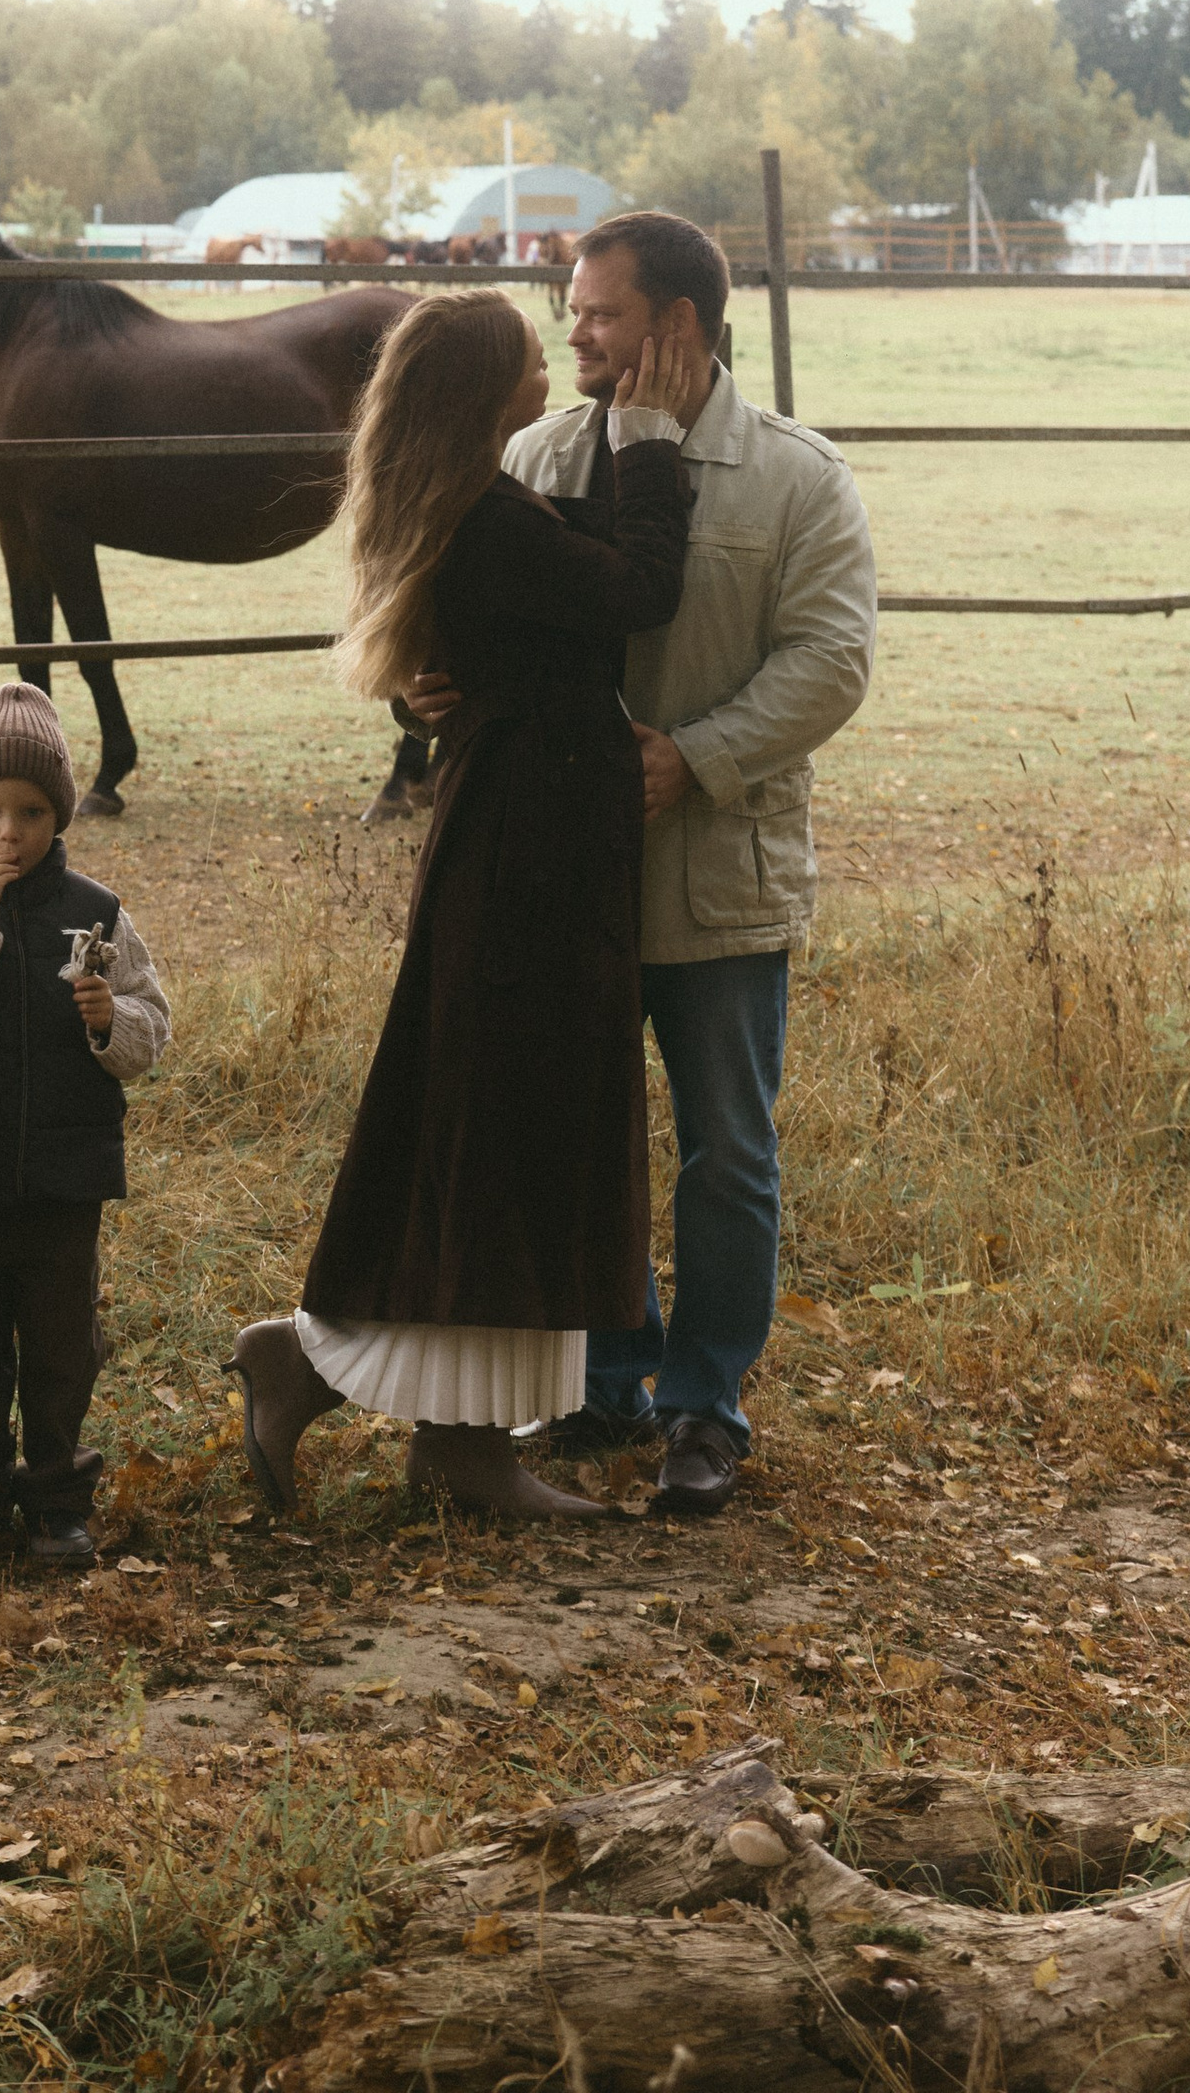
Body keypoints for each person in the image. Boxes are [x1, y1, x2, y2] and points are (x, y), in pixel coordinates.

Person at [410, 209, 876, 1518]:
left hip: (713, 877)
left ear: (676, 326)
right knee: (580, 1132)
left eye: (600, 313)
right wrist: (436, 688)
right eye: (572, 307)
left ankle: (703, 1406)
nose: (575, 331)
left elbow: (832, 662)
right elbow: (478, 610)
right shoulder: (535, 452)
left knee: (726, 1152)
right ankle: (605, 1378)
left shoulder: (797, 479)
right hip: (561, 876)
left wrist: (701, 759)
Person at [226, 288, 697, 1524]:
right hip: (526, 851)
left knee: (499, 1124)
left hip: (530, 836)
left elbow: (578, 555)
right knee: (502, 1127)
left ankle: (422, 1421)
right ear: (496, 388)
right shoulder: (487, 521)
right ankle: (401, 1411)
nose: (560, 351)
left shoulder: (484, 505)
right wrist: (651, 443)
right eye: (539, 348)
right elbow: (636, 586)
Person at [0, 683, 172, 1571]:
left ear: (61, 814)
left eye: (32, 811)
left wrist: (105, 1021)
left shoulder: (99, 912)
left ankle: (56, 1499)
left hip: (66, 1171)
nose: (8, 832)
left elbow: (150, 1030)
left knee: (60, 1343)